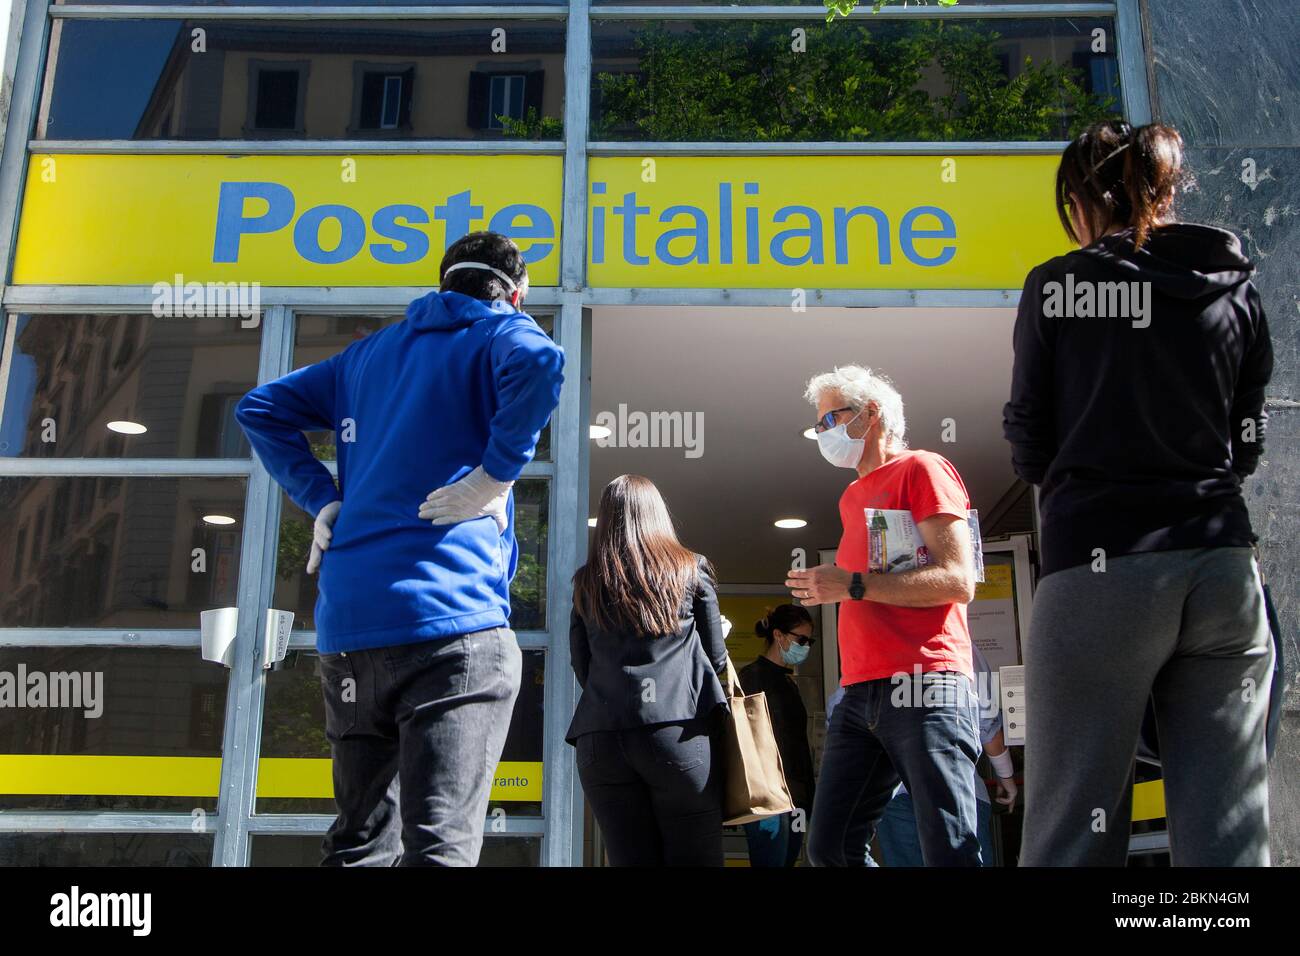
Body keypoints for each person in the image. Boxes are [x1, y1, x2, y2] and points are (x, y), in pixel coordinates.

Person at [236, 231, 564, 866]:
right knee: (438, 842)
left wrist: (322, 497)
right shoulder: (501, 332)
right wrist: (492, 476)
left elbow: (259, 407)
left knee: (360, 842)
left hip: (351, 632)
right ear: (516, 295)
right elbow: (544, 363)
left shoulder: (366, 357)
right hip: (452, 627)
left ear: (443, 284)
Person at [1003, 121, 1274, 867]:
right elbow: (1248, 435)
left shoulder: (1059, 286)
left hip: (1103, 565)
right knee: (1228, 831)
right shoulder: (1235, 290)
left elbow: (1029, 438)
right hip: (1222, 566)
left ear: (1081, 199)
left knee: (1072, 827)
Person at [788, 366, 983, 867]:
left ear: (871, 414)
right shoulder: (852, 496)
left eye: (831, 417)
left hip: (926, 681)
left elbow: (959, 581)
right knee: (830, 847)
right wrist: (839, 587)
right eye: (819, 424)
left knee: (948, 847)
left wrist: (852, 584)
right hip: (858, 693)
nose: (823, 433)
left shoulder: (923, 468)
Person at [566, 474, 730, 866]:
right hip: (677, 730)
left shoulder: (587, 582)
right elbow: (716, 659)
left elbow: (581, 663)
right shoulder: (691, 569)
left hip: (600, 738)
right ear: (658, 515)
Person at [873, 644, 1017, 866]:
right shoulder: (961, 647)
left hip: (896, 791)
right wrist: (1006, 777)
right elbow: (987, 725)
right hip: (956, 786)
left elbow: (845, 718)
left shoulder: (875, 647)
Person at [739, 604, 817, 867]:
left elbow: (797, 743)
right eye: (801, 639)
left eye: (810, 641)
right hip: (768, 794)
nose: (806, 646)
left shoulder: (788, 682)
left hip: (795, 794)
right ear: (779, 635)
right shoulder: (752, 677)